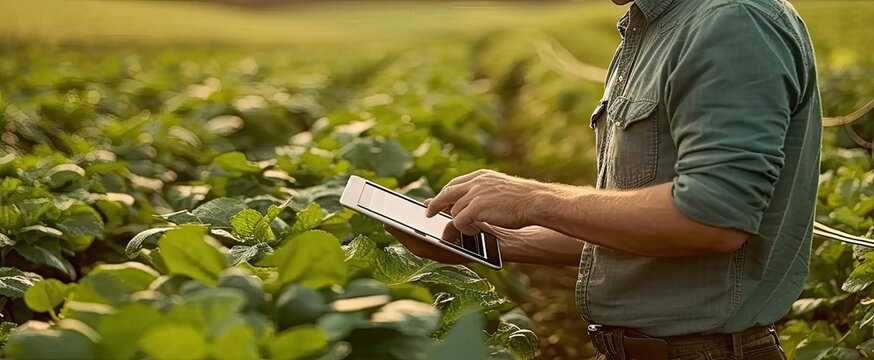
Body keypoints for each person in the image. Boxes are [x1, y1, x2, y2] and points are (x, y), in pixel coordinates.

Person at [386, 0, 821, 358]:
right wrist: (500, 242)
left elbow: (712, 216)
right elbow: (642, 225)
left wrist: (531, 197)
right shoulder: (652, 27)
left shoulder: (732, 21)